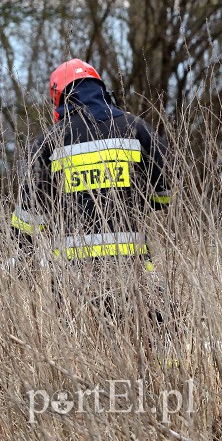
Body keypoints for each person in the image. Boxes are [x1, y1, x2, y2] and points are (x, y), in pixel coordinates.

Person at [11, 59, 171, 322]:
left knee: (86, 345)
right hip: (133, 264)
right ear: (100, 89)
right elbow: (165, 190)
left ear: (59, 97)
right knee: (156, 332)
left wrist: (22, 259)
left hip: (74, 274)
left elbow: (28, 219)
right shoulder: (135, 128)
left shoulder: (49, 142)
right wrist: (143, 202)